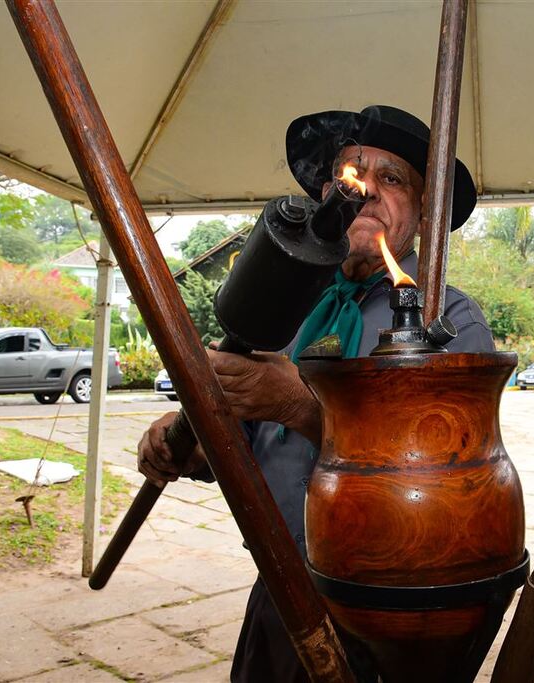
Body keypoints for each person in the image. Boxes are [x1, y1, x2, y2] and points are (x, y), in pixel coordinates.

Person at [137, 105, 495, 683]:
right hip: (280, 593)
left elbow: (438, 475)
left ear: (424, 213)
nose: (366, 190)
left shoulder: (448, 319)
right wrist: (190, 443)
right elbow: (245, 442)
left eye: (393, 178)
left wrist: (297, 404)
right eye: (350, 173)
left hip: (389, 615)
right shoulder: (289, 306)